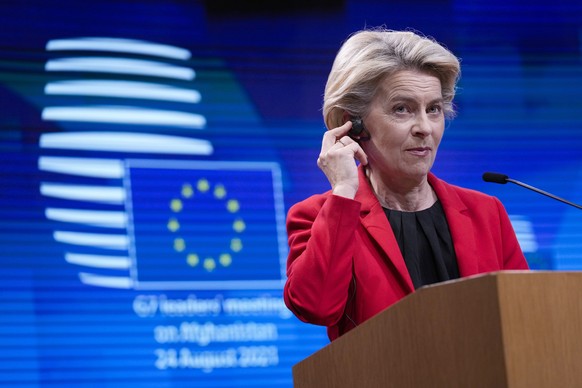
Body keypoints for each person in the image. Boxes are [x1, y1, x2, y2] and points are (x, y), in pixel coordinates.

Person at [283, 28, 529, 341]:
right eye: (403, 109)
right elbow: (315, 308)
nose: (425, 128)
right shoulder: (318, 216)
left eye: (434, 109)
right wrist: (344, 191)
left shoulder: (486, 213)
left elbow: (522, 317)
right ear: (353, 124)